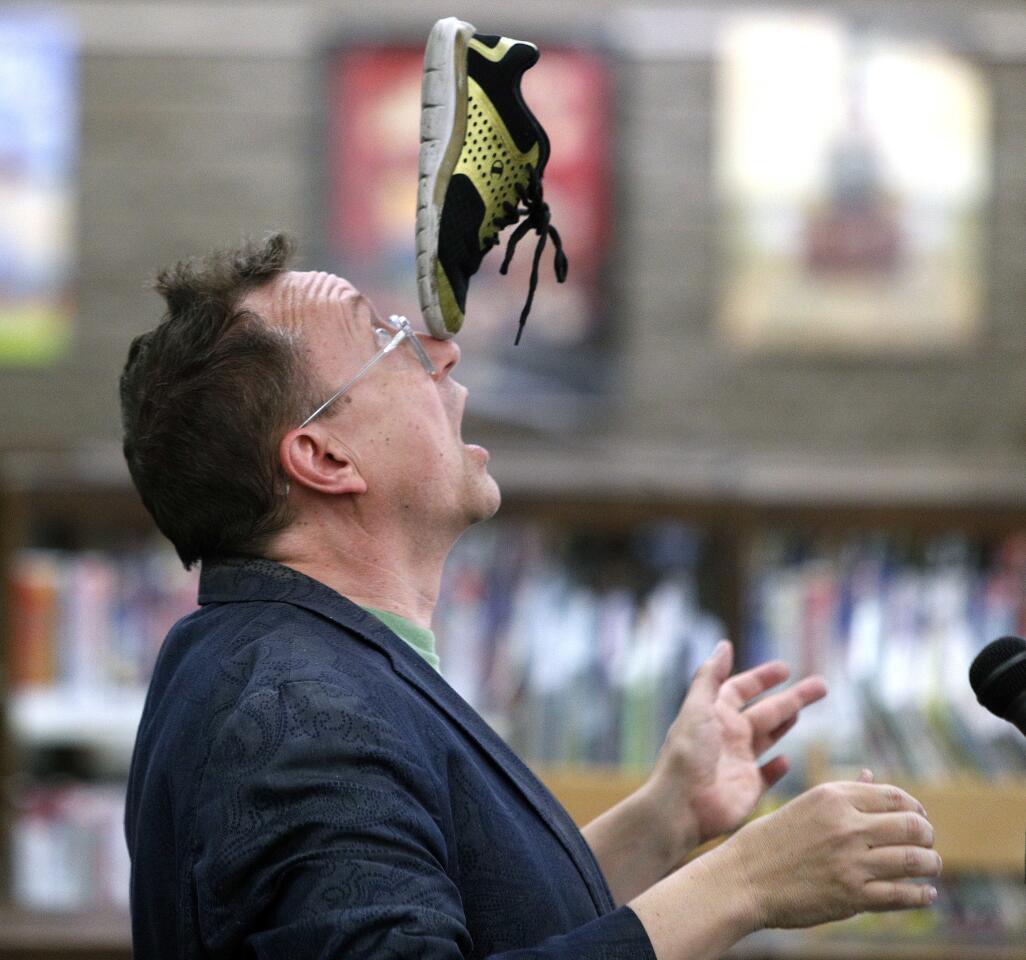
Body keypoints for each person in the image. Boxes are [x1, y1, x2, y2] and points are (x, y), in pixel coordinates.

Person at [121, 234, 941, 959]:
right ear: (325, 457)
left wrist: (664, 821)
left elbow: (468, 918)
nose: (443, 354)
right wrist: (742, 885)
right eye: (389, 339)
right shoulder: (300, 716)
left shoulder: (290, 659)